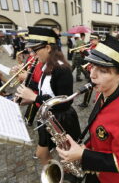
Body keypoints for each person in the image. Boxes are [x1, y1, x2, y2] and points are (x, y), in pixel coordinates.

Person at [56, 34, 119, 183]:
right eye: (92, 66)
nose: (92, 75)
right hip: (96, 171)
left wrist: (83, 154)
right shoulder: (103, 93)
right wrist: (84, 147)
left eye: (102, 70)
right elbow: (99, 132)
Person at [15, 26, 81, 166]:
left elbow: (65, 102)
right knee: (42, 154)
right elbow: (43, 88)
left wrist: (35, 98)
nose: (32, 54)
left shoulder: (62, 69)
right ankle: (54, 175)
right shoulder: (46, 65)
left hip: (61, 120)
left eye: (35, 50)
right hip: (47, 118)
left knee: (69, 159)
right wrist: (24, 96)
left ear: (48, 48)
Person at [78, 33, 100, 108]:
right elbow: (86, 58)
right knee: (96, 85)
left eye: (93, 39)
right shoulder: (91, 46)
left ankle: (85, 103)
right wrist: (82, 52)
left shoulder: (98, 47)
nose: (91, 41)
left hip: (96, 70)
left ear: (98, 40)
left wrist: (85, 52)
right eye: (91, 39)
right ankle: (98, 99)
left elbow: (94, 58)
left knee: (90, 86)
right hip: (90, 68)